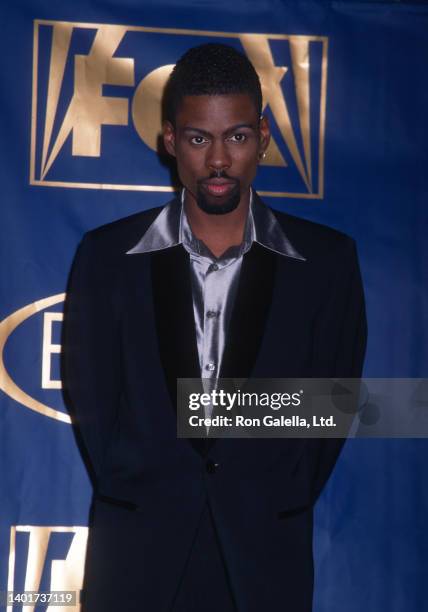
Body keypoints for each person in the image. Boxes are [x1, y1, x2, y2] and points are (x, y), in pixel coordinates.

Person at [63, 43, 367, 612]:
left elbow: (334, 405)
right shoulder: (108, 257)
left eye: (238, 136)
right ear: (171, 140)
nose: (220, 160)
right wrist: (148, 482)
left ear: (264, 136)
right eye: (200, 138)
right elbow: (93, 399)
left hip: (264, 554)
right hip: (137, 553)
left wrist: (267, 489)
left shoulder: (326, 263)